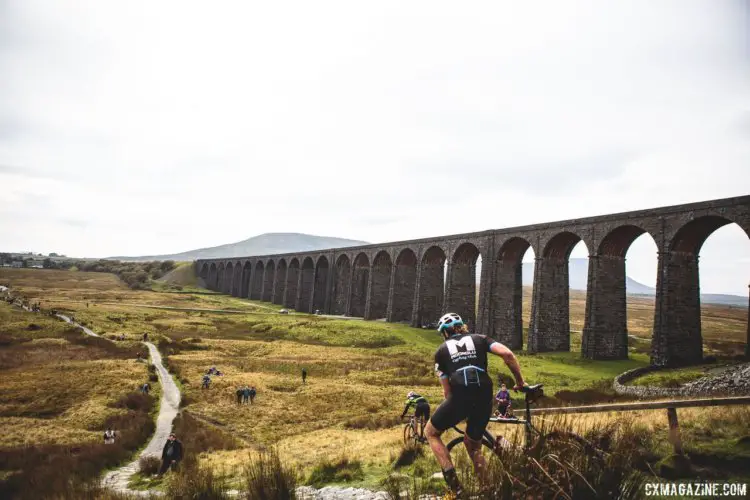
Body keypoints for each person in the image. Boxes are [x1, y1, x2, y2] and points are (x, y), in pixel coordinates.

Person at [424, 312, 527, 496]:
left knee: (430, 432)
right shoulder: (481, 339)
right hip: (485, 393)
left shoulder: (440, 352)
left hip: (460, 396)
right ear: (462, 326)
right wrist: (520, 382)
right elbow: (508, 354)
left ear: (445, 333)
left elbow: (448, 392)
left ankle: (455, 487)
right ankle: (488, 490)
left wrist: (454, 411)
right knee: (473, 444)